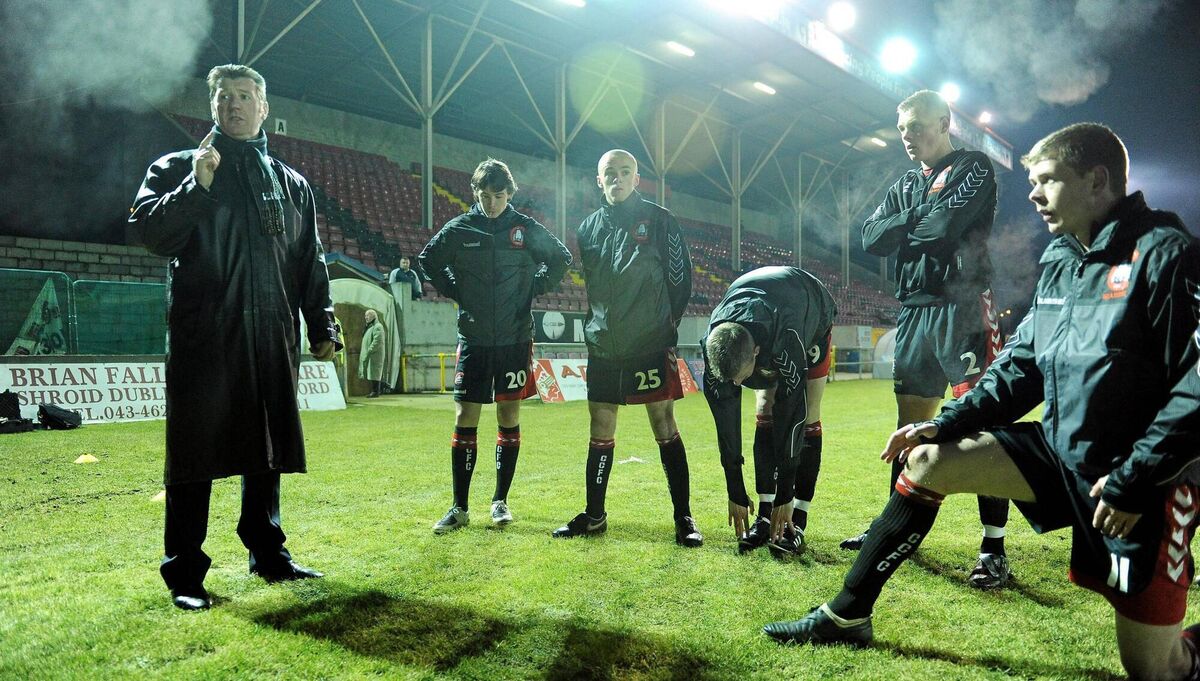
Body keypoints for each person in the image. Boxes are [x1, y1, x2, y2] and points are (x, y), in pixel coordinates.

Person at [764, 123, 1200, 681]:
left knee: (1155, 669)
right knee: (930, 460)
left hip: (1143, 482)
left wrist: (1139, 478)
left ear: (1096, 180)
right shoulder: (1064, 260)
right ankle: (846, 614)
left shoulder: (1165, 254)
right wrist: (944, 423)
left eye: (1047, 181)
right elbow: (1020, 368)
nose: (1035, 195)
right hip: (1065, 453)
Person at [129, 64, 340, 611]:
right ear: (212, 106)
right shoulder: (178, 166)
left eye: (245, 96)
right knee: (194, 452)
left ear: (264, 108)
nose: (235, 104)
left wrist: (323, 323)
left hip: (270, 336)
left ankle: (268, 554)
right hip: (205, 337)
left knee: (265, 450)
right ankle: (185, 574)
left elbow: (308, 261)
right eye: (224, 96)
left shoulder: (293, 185)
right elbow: (150, 233)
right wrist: (195, 184)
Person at [844, 89, 1012, 590]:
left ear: (943, 123)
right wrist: (913, 222)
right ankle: (890, 528)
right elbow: (871, 239)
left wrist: (906, 228)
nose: (908, 137)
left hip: (962, 308)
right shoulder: (904, 184)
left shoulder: (974, 167)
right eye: (902, 130)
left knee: (981, 424)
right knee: (909, 427)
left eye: (916, 126)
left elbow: (944, 228)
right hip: (914, 312)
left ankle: (994, 548)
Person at [551, 149, 702, 547]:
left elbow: (680, 280)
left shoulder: (660, 220)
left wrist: (666, 329)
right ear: (598, 181)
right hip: (604, 345)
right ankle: (595, 514)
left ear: (637, 178)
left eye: (625, 172)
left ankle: (684, 517)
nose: (617, 178)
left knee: (664, 425)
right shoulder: (587, 229)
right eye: (609, 173)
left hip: (651, 343)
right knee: (599, 427)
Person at [418, 158, 571, 533]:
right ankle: (459, 507)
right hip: (474, 339)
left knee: (508, 417)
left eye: (498, 196)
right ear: (475, 193)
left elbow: (561, 259)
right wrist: (458, 292)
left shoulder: (526, 229)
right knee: (464, 418)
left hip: (515, 338)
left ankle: (500, 501)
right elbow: (429, 261)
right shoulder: (460, 228)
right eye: (484, 196)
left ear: (510, 194)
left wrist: (531, 289)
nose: (491, 203)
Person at [702, 266, 836, 557]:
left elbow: (793, 412)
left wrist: (786, 493)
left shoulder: (786, 338)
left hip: (810, 314)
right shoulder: (714, 338)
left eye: (741, 376)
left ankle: (796, 520)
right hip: (761, 309)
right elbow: (724, 417)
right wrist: (734, 488)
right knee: (763, 407)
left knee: (808, 411)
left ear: (756, 352)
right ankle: (764, 516)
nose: (738, 384)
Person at [359, 308, 386, 397]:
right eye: (365, 316)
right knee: (372, 372)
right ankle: (375, 391)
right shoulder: (370, 327)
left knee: (375, 372)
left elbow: (377, 341)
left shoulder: (378, 326)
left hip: (375, 354)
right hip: (371, 354)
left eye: (368, 315)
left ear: (373, 316)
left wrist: (370, 350)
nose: (366, 317)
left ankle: (376, 391)